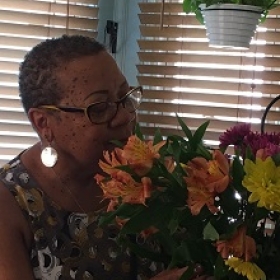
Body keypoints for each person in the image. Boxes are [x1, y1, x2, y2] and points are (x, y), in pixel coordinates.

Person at [0, 35, 207, 280]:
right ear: (43, 123)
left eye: (125, 97)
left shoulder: (148, 175)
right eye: (98, 108)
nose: (124, 117)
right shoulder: (10, 203)